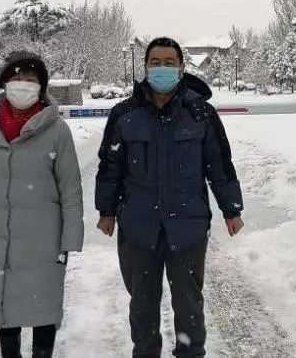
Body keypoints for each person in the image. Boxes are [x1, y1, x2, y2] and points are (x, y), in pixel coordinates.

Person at [95, 37, 245, 357]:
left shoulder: (200, 114)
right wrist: (106, 211)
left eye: (168, 62)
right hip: (138, 228)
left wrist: (231, 209)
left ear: (180, 68)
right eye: (155, 62)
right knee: (142, 307)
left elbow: (219, 163)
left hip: (187, 227)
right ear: (145, 67)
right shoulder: (125, 114)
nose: (161, 68)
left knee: (189, 308)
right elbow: (110, 166)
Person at [0, 50, 84, 358]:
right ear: (5, 82)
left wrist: (70, 241)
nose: (23, 84)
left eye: (31, 78)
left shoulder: (57, 130)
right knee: (5, 307)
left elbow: (71, 190)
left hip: (44, 241)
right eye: (17, 77)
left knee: (44, 308)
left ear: (41, 86)